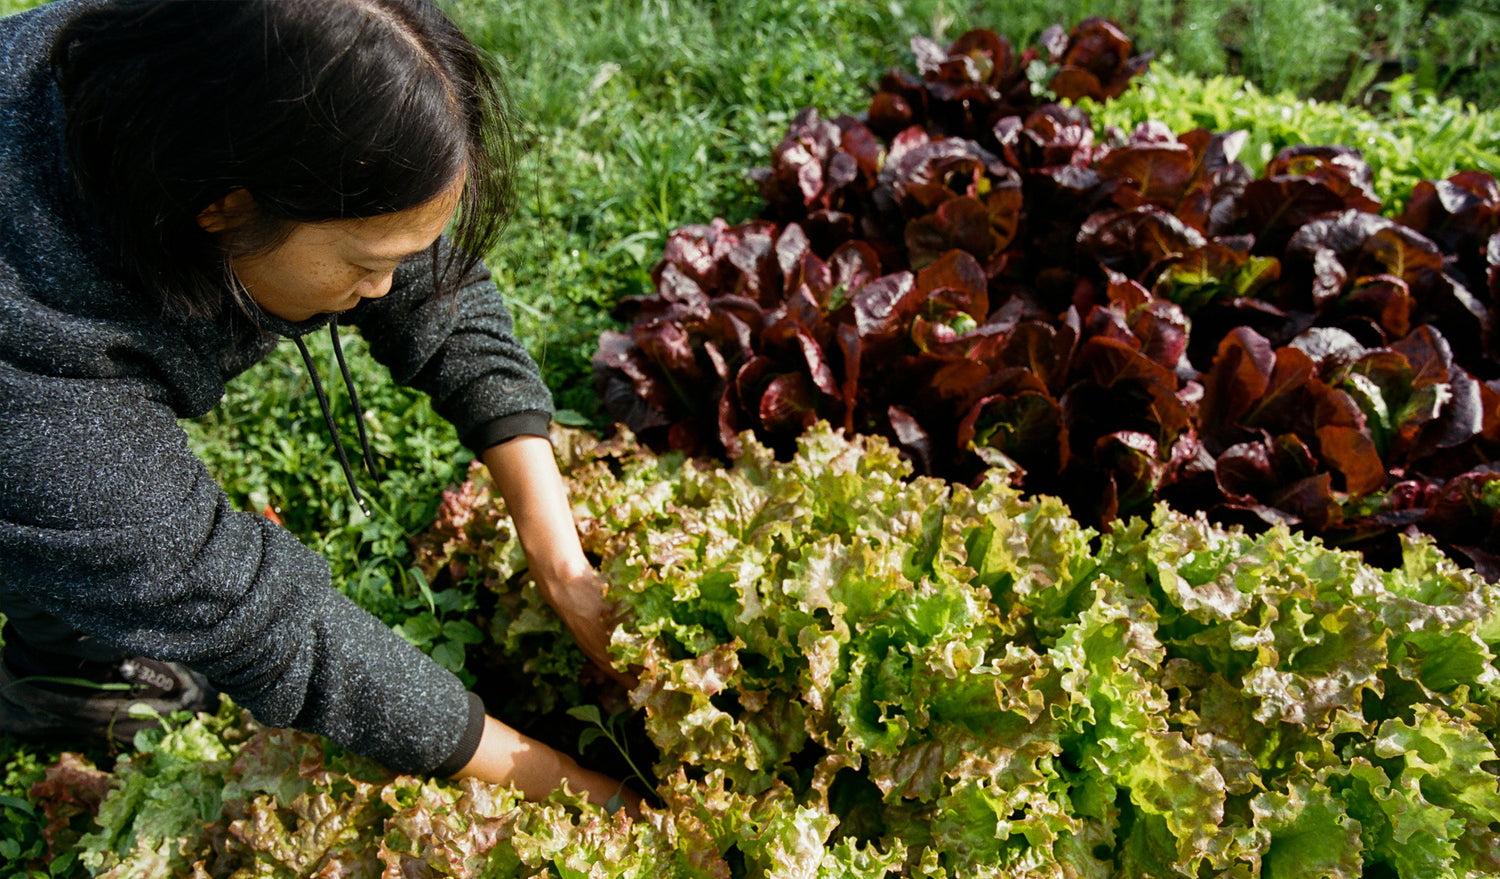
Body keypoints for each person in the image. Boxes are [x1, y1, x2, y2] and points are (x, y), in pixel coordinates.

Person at [0, 0, 639, 813]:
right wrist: (585, 791)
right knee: (68, 520)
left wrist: (565, 566)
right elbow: (277, 630)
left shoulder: (217, 75)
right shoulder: (35, 368)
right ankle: (63, 675)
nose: (387, 286)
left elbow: (433, 296)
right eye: (369, 264)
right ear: (222, 207)